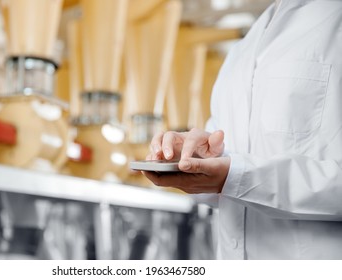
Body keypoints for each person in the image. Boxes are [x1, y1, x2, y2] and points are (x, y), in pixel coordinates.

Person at [144, 0, 342, 259]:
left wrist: (235, 176)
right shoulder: (243, 51)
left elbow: (239, 173)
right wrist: (196, 159)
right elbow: (230, 173)